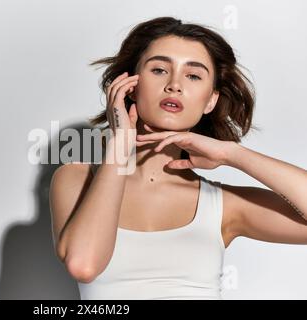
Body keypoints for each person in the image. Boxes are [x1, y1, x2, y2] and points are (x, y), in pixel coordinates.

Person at [48, 16, 307, 299]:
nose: (175, 84)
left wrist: (232, 154)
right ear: (129, 85)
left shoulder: (224, 207)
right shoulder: (76, 178)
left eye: (193, 75)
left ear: (210, 101)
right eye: (159, 69)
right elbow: (84, 265)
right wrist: (119, 146)